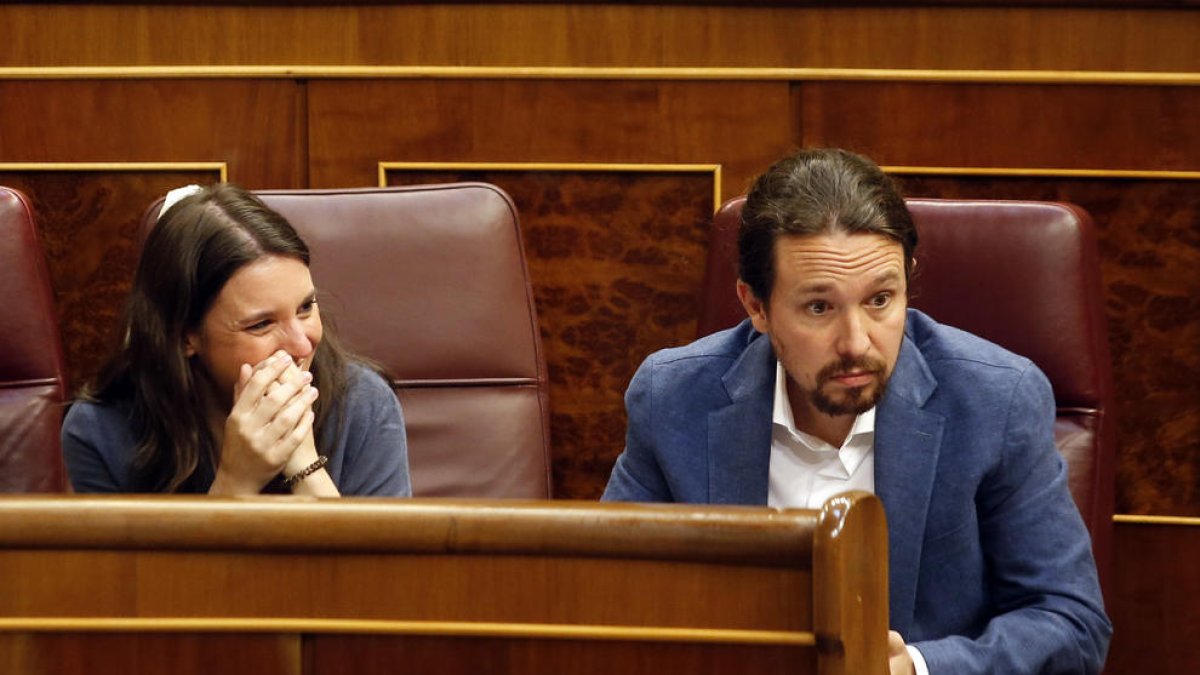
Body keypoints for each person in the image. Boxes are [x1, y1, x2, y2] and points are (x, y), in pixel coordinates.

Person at [602, 149, 1111, 674]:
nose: (856, 343)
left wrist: (912, 668)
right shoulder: (674, 398)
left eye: (880, 300)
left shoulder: (995, 402)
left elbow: (1071, 625)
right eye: (819, 307)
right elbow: (606, 598)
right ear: (755, 306)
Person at [63, 183, 410, 497]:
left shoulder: (365, 404)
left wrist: (306, 468)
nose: (303, 346)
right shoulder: (99, 431)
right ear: (185, 336)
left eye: (306, 307)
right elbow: (133, 571)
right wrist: (236, 482)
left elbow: (375, 569)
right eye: (261, 324)